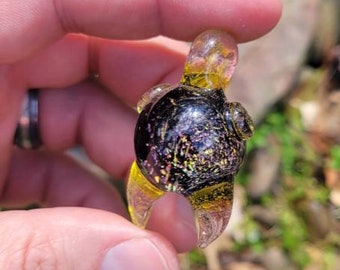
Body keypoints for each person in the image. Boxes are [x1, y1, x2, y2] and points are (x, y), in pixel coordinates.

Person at [0, 1, 282, 269]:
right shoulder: (206, 96)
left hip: (152, 161)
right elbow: (213, 48)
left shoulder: (203, 92)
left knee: (141, 203)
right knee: (141, 205)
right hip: (154, 162)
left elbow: (157, 93)